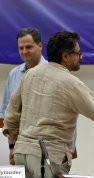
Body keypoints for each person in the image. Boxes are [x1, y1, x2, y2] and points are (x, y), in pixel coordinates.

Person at [2, 31, 94, 178]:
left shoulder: (30, 74)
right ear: (65, 56)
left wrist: (13, 145)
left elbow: (11, 114)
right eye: (78, 53)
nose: (81, 57)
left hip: (21, 155)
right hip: (47, 158)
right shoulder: (70, 83)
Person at [0, 27, 48, 165]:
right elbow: (5, 113)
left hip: (44, 146)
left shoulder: (52, 72)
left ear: (40, 46)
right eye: (21, 48)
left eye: (28, 47)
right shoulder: (14, 74)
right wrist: (9, 146)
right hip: (18, 147)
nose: (24, 52)